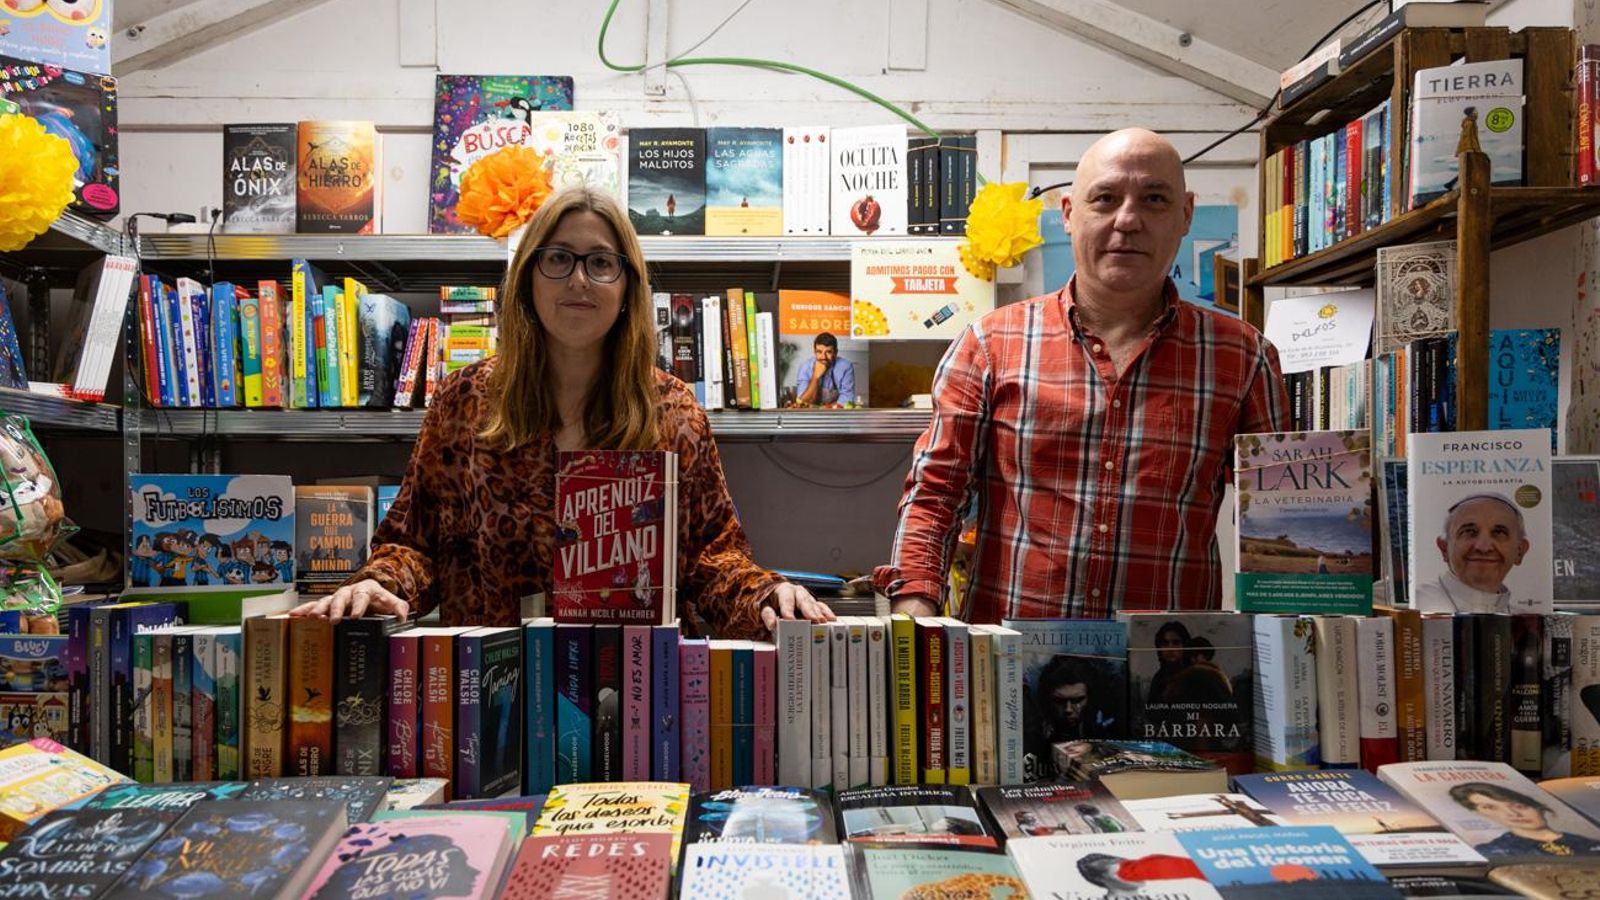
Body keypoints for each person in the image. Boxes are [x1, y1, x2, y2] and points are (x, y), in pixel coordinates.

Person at [290, 186, 832, 638]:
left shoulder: (673, 411)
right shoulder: (464, 401)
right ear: (528, 276)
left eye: (600, 262)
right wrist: (377, 582)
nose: (578, 279)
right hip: (492, 693)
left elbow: (712, 563)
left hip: (638, 696)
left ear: (627, 287)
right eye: (558, 258)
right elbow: (414, 545)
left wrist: (769, 592)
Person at [874, 128, 1289, 621]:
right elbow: (936, 492)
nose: (1128, 220)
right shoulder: (989, 344)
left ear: (1185, 215)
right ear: (1069, 215)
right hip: (1007, 674)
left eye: (1154, 199)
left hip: (1166, 677)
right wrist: (916, 616)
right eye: (1106, 199)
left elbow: (1279, 513)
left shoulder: (1243, 357)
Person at [1413, 493, 1529, 614]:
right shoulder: (1415, 608)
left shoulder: (1526, 623)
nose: (1484, 548)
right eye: (1469, 531)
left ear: (1520, 551)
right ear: (1444, 548)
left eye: (1499, 533)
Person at [1447, 782, 1600, 858]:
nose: (1513, 814)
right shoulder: (1492, 852)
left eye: (1519, 805)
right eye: (1490, 807)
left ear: (1537, 806)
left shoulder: (1589, 842)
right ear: (1480, 813)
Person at [792, 332, 856, 407]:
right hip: (811, 415)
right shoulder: (805, 367)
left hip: (836, 414)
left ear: (835, 353)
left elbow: (847, 398)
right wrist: (815, 377)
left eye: (828, 352)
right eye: (819, 352)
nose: (823, 357)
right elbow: (803, 402)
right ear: (814, 352)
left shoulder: (845, 367)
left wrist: (824, 408)